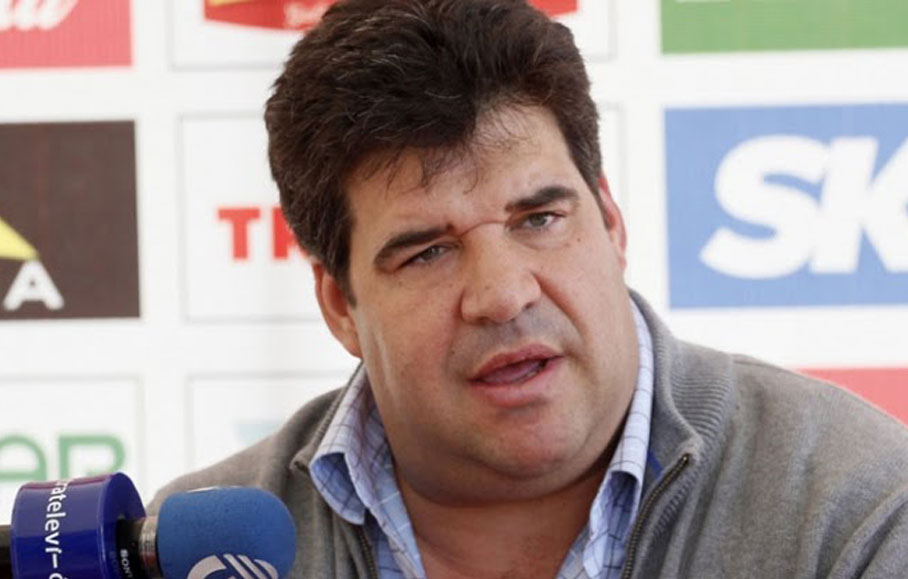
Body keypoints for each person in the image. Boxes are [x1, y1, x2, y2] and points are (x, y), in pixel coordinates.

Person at [149, 1, 908, 577]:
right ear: (340, 305)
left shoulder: (854, 507)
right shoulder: (186, 552)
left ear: (610, 222)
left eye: (539, 218)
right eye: (428, 252)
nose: (504, 295)